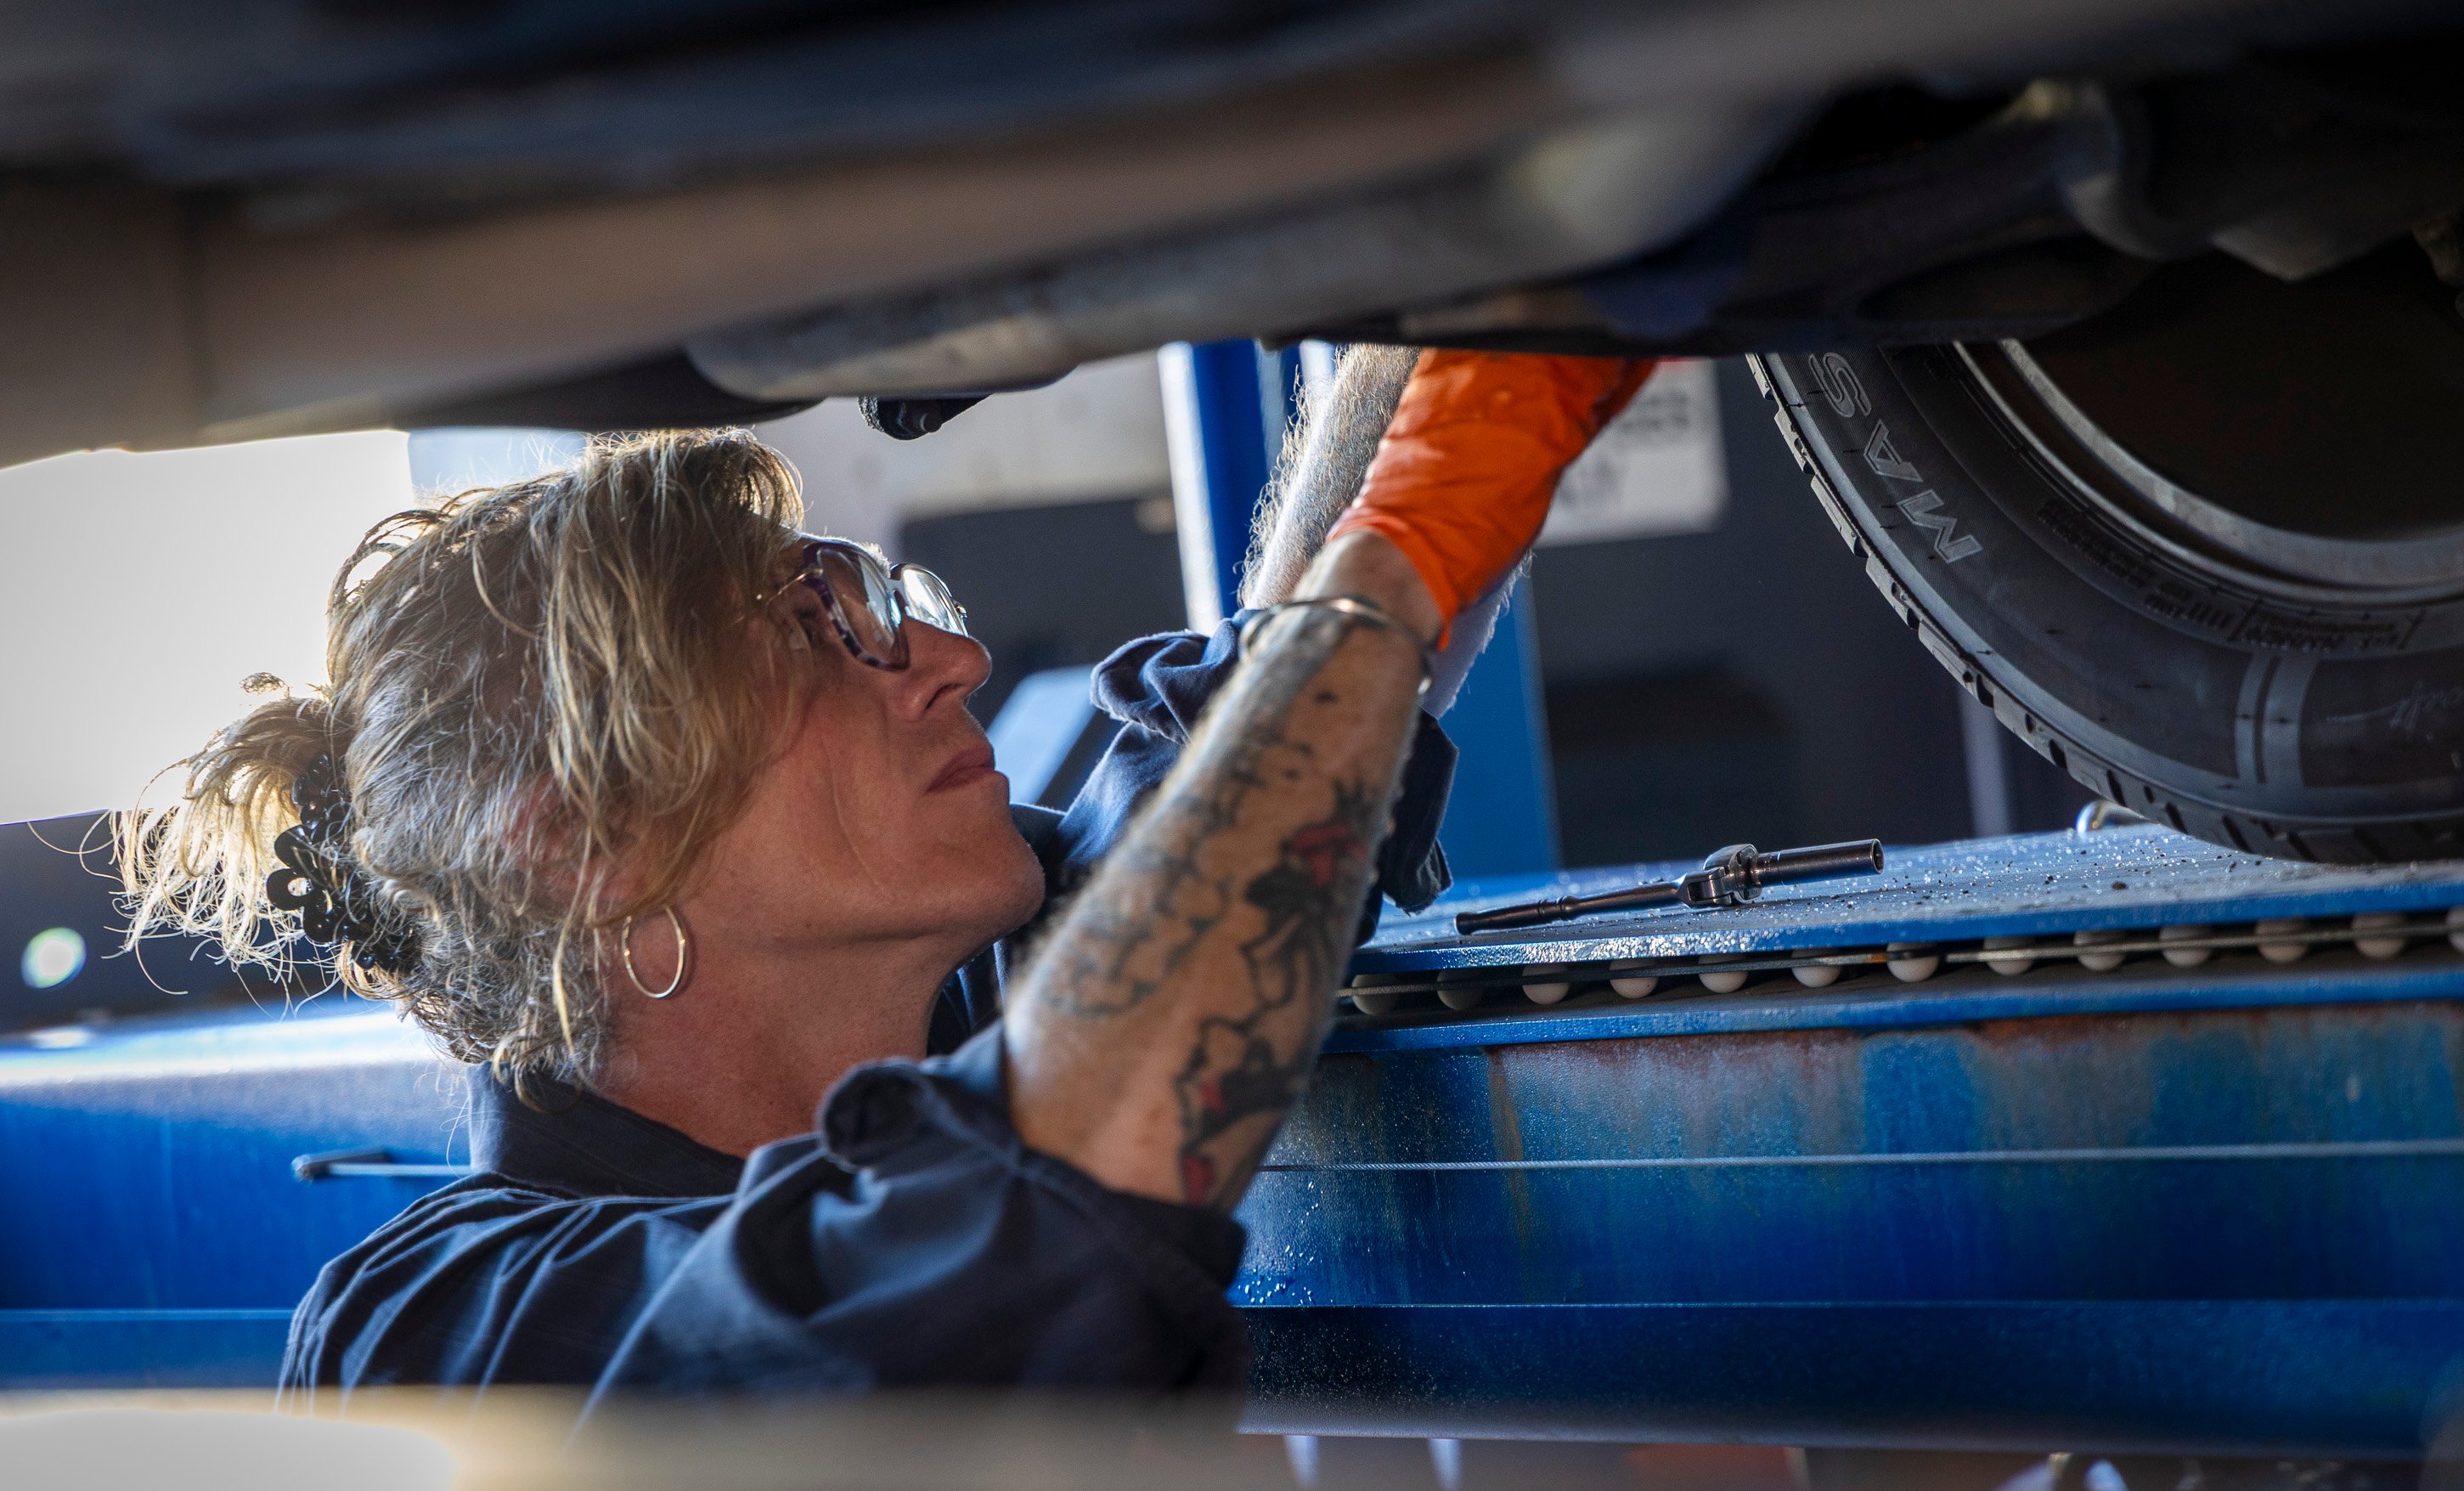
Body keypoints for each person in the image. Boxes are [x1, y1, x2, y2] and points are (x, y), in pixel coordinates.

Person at [118, 346, 1653, 1403]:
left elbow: (1243, 763)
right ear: (585, 844)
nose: (960, 660)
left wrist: (1453, 353)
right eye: (821, 630)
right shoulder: (437, 1345)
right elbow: (991, 1260)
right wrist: (1397, 566)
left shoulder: (968, 999)